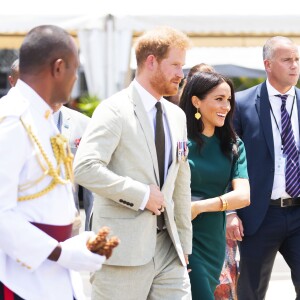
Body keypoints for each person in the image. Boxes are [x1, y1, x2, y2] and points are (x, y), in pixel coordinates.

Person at [74, 26, 192, 300]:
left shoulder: (177, 116)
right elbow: (85, 168)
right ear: (151, 61)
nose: (181, 74)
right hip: (122, 252)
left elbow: (180, 183)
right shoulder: (113, 109)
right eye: (175, 65)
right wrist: (140, 195)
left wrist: (184, 243)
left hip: (169, 250)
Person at [0, 25, 105, 300]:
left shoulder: (40, 116)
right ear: (59, 68)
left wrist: (76, 245)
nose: (75, 80)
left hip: (53, 273)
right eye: (75, 70)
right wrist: (60, 252)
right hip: (20, 280)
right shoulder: (12, 120)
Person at [228, 36, 300, 300]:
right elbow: (230, 160)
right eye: (287, 60)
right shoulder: (242, 104)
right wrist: (231, 211)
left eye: (296, 59)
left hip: (299, 211)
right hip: (259, 216)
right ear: (268, 64)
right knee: (251, 292)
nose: (294, 66)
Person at [179, 71, 250, 300]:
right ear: (196, 101)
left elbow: (244, 196)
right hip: (184, 238)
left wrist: (199, 207)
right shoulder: (178, 141)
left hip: (214, 240)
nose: (226, 106)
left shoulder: (232, 144)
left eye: (228, 100)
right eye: (219, 99)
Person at [9, 58, 94, 233]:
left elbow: (91, 186)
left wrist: (90, 234)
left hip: (70, 231)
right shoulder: (8, 121)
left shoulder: (84, 124)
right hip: (19, 230)